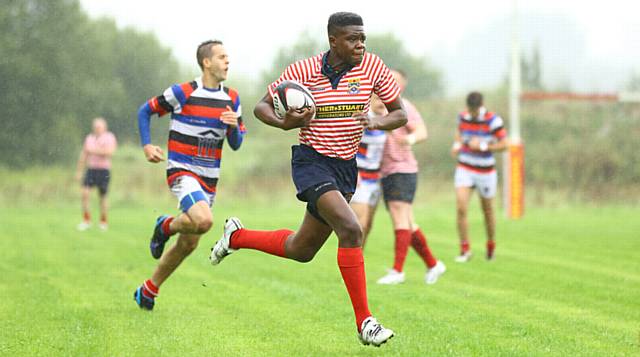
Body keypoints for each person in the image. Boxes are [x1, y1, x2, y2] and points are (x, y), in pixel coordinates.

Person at [209, 12, 406, 347]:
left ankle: (237, 237)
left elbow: (399, 113)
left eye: (363, 38)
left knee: (301, 249)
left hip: (345, 168)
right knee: (351, 228)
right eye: (352, 39)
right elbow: (261, 107)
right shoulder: (303, 71)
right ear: (333, 40)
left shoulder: (373, 66)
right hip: (312, 163)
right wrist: (285, 123)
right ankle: (365, 323)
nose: (360, 45)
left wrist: (375, 121)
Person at [133, 40, 246, 310]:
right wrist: (147, 145)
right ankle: (165, 226)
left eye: (228, 57)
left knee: (189, 243)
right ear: (206, 62)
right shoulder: (183, 92)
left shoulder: (232, 98)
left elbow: (237, 143)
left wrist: (233, 127)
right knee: (204, 221)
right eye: (221, 57)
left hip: (209, 179)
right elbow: (144, 111)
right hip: (182, 171)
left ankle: (148, 290)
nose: (227, 61)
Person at [375, 70, 446, 285]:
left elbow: (422, 131)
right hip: (385, 170)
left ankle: (398, 271)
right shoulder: (373, 102)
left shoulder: (403, 105)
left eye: (394, 80)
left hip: (401, 169)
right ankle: (433, 265)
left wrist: (410, 139)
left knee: (400, 217)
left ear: (401, 87)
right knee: (409, 223)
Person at [451, 91, 508, 262]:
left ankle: (490, 245)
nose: (473, 114)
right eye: (471, 110)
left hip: (485, 171)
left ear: (481, 106)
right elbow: (459, 135)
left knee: (487, 210)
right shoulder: (463, 117)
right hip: (465, 168)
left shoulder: (493, 120)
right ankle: (464, 250)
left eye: (475, 110)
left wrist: (483, 146)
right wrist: (456, 145)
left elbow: (505, 144)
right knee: (461, 208)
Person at [350, 95, 387, 247]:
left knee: (368, 226)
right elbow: (348, 143)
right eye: (379, 99)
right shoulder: (363, 118)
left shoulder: (387, 120)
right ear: (370, 99)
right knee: (360, 225)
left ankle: (358, 263)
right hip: (360, 177)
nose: (382, 103)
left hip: (375, 178)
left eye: (385, 100)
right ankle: (350, 264)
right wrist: (352, 170)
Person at [75, 117, 117, 231]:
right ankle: (86, 220)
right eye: (95, 127)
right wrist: (79, 170)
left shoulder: (109, 137)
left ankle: (103, 221)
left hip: (103, 170)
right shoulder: (89, 138)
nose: (97, 129)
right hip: (91, 169)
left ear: (104, 127)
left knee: (102, 197)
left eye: (99, 127)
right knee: (85, 194)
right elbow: (84, 154)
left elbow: (110, 152)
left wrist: (93, 151)